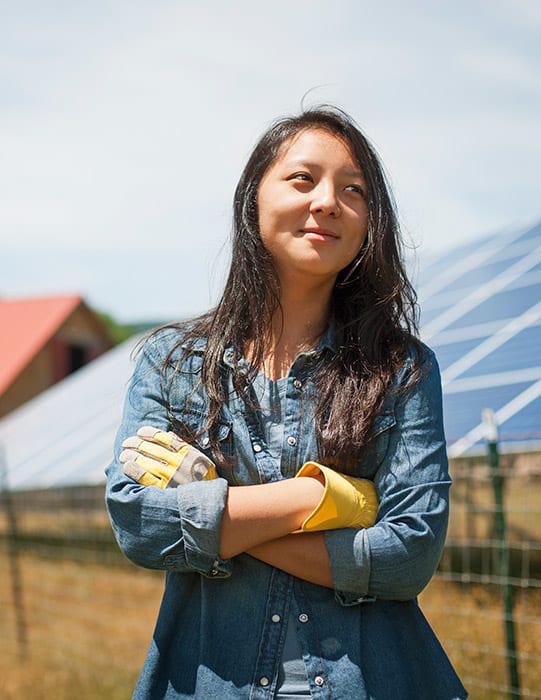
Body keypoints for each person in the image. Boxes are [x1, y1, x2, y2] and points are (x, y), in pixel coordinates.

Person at [105, 105, 468, 699]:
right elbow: (138, 525)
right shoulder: (172, 363)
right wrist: (321, 498)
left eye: (353, 190)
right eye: (303, 179)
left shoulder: (401, 368)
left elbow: (409, 555)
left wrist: (218, 521)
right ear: (254, 197)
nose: (328, 201)